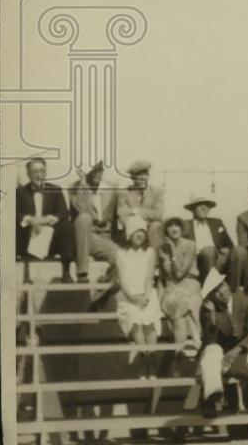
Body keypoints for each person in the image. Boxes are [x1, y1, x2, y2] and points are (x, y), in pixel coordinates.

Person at [198, 268, 248, 418]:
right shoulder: (208, 310)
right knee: (212, 350)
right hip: (219, 359)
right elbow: (209, 341)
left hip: (242, 355)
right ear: (210, 297)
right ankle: (211, 399)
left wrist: (236, 351)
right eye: (215, 292)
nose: (221, 293)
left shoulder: (244, 301)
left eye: (221, 286)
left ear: (227, 284)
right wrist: (212, 318)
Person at [115, 215, 162, 378]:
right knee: (135, 319)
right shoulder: (120, 254)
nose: (140, 235)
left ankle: (152, 360)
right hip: (128, 295)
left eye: (142, 231)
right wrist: (134, 298)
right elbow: (123, 281)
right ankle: (144, 360)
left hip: (147, 293)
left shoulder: (150, 252)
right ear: (129, 233)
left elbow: (150, 278)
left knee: (149, 320)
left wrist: (146, 297)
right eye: (136, 231)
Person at [16, 157, 76, 281]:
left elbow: (63, 213)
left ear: (46, 172)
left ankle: (66, 271)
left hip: (51, 238)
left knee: (66, 226)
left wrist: (48, 220)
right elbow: (16, 214)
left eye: (42, 171)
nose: (39, 175)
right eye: (34, 172)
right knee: (17, 226)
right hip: (28, 236)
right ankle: (26, 274)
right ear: (28, 174)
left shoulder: (55, 189)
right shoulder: (20, 192)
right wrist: (30, 220)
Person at [158, 217, 202, 359]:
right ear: (166, 230)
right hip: (172, 288)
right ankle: (195, 343)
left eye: (177, 225)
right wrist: (159, 301)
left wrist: (173, 252)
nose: (174, 228)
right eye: (170, 226)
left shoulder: (190, 245)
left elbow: (180, 273)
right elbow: (165, 277)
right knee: (183, 304)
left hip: (190, 285)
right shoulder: (162, 250)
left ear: (182, 228)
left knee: (184, 306)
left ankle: (179, 352)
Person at [70, 161, 118, 281]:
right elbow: (81, 208)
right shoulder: (76, 188)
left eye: (100, 170)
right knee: (84, 218)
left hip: (103, 239)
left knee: (120, 256)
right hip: (85, 236)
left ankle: (105, 282)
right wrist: (83, 183)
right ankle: (82, 274)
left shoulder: (110, 189)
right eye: (94, 170)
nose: (98, 174)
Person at [182, 196, 242, 288]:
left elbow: (230, 244)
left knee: (239, 251)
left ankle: (232, 289)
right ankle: (210, 291)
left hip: (218, 258)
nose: (204, 208)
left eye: (207, 205)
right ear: (193, 208)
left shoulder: (216, 223)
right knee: (208, 251)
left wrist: (227, 248)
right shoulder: (186, 225)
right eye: (200, 205)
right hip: (199, 261)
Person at [116, 160, 164, 249]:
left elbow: (159, 214)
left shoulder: (157, 192)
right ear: (133, 178)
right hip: (132, 228)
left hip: (150, 228)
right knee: (134, 228)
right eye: (139, 175)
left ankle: (155, 260)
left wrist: (137, 212)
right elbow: (121, 214)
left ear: (148, 176)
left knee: (156, 226)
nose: (143, 178)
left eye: (145, 174)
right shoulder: (125, 192)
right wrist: (138, 222)